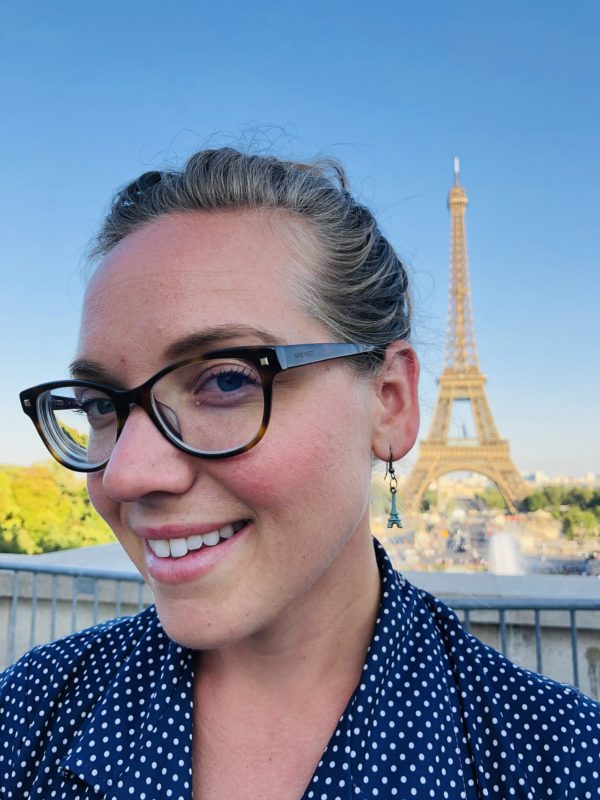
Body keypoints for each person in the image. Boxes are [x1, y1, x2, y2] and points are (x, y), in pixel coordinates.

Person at [2, 147, 599, 800]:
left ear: (390, 403)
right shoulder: (24, 711)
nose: (126, 474)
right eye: (99, 405)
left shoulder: (563, 758)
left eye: (227, 379)